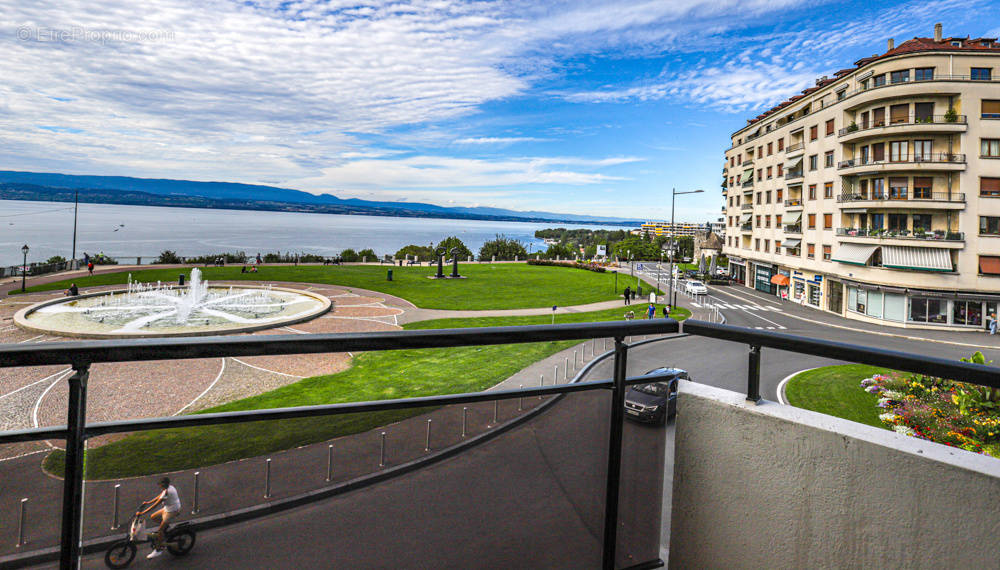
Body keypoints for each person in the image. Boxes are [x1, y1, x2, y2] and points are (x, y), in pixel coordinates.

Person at [137, 477, 181, 558]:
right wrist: (148, 502)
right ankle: (165, 529)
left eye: (160, 484)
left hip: (172, 511)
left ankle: (159, 549)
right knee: (153, 517)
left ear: (164, 484)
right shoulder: (169, 487)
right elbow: (160, 496)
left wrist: (142, 513)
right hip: (168, 508)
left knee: (160, 530)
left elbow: (155, 505)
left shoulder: (167, 492)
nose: (159, 486)